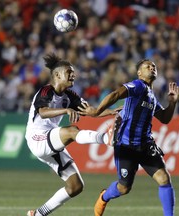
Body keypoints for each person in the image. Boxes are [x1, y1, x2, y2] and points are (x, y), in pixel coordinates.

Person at [78, 59, 179, 216]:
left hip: (146, 146)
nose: (152, 67)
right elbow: (116, 94)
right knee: (124, 188)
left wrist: (172, 103)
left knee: (164, 178)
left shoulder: (152, 96)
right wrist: (97, 111)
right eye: (147, 66)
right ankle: (104, 196)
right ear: (139, 73)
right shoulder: (138, 85)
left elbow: (165, 118)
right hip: (126, 146)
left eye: (154, 66)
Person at [25, 53, 117, 216]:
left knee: (75, 186)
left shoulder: (71, 96)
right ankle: (105, 138)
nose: (73, 75)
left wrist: (110, 112)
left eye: (73, 72)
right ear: (58, 74)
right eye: (69, 72)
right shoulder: (46, 91)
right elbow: (43, 112)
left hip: (52, 142)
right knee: (72, 131)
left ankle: (38, 214)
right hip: (37, 138)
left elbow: (91, 111)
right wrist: (66, 110)